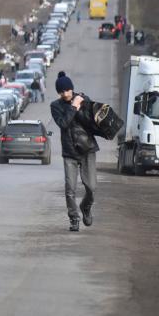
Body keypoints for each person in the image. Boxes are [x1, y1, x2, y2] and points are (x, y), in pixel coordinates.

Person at [50, 71, 99, 232]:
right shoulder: (55, 106)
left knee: (91, 187)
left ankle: (86, 206)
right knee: (70, 189)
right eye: (61, 91)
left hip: (87, 149)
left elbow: (91, 122)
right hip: (69, 152)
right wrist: (73, 107)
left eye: (67, 90)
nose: (65, 94)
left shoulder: (85, 100)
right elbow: (63, 124)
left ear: (72, 89)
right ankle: (74, 219)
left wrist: (81, 104)